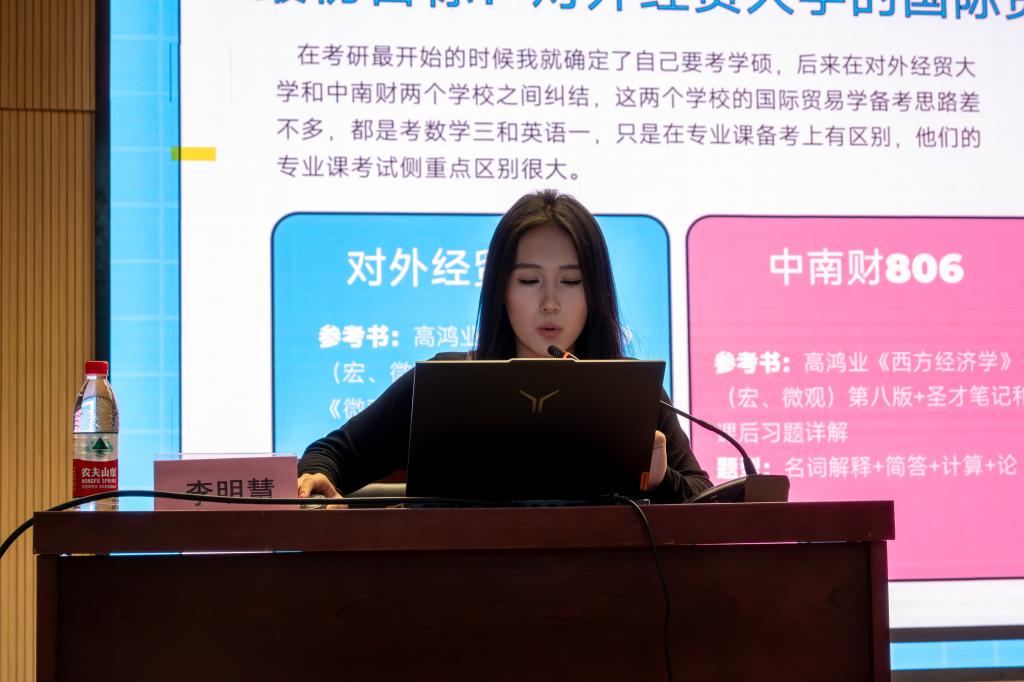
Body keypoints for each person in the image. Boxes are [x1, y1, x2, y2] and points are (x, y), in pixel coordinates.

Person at [297, 190, 712, 503]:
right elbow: (329, 456)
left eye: (571, 281)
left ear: (596, 293)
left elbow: (705, 497)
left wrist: (661, 480)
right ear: (501, 290)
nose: (550, 302)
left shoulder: (629, 390)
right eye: (529, 281)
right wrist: (316, 478)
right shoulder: (448, 383)